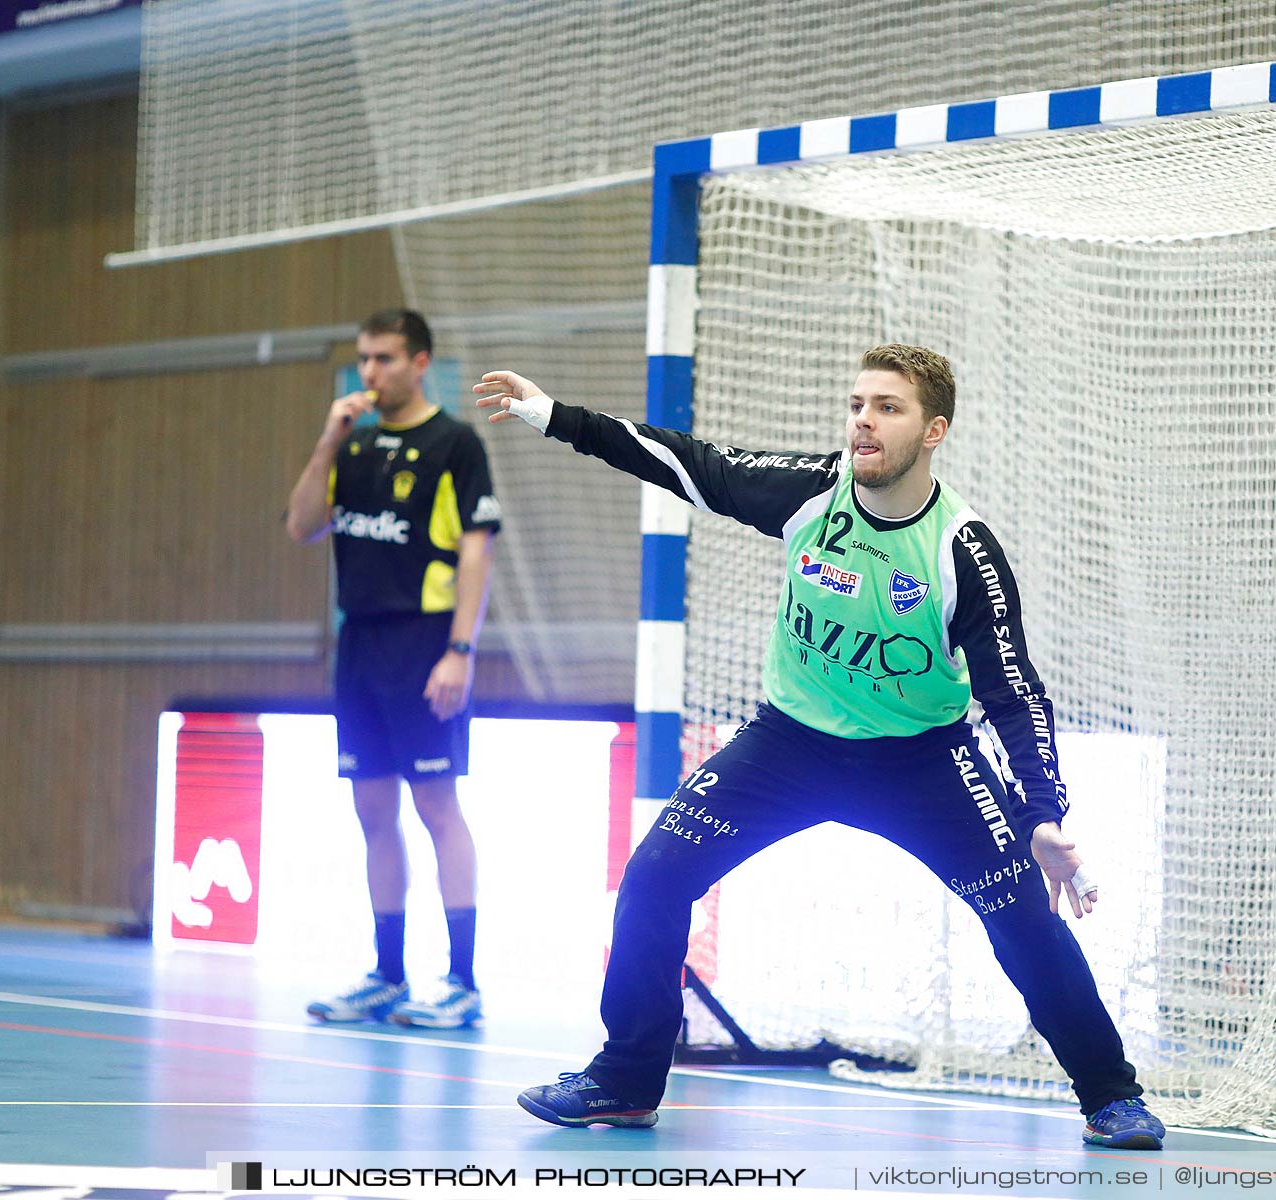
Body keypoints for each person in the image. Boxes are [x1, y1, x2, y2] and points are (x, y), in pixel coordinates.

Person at [473, 345, 1165, 1148]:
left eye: (889, 407)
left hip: (922, 759)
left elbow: (1015, 692)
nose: (864, 419)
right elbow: (689, 462)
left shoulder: (962, 551)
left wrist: (1043, 815)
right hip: (789, 744)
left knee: (1020, 914)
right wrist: (554, 416)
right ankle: (625, 1081)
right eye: (857, 403)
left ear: (933, 430)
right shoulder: (812, 493)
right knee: (654, 879)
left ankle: (1111, 1097)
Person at [284, 309, 502, 1029]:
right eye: (363, 360)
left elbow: (477, 551)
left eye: (382, 359)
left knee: (436, 806)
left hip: (424, 645)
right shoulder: (355, 445)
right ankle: (386, 973)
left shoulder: (455, 443)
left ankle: (463, 980)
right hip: (361, 648)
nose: (369, 373)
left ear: (419, 362)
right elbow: (301, 524)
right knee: (371, 809)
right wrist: (327, 443)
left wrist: (459, 652)